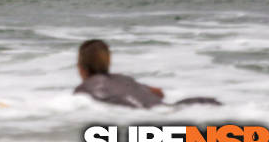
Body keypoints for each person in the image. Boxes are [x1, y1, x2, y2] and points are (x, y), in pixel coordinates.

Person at [74, 39, 220, 108]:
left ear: (81, 68)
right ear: (108, 62)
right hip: (165, 108)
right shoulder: (124, 79)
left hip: (144, 115)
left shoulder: (83, 90)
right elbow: (159, 93)